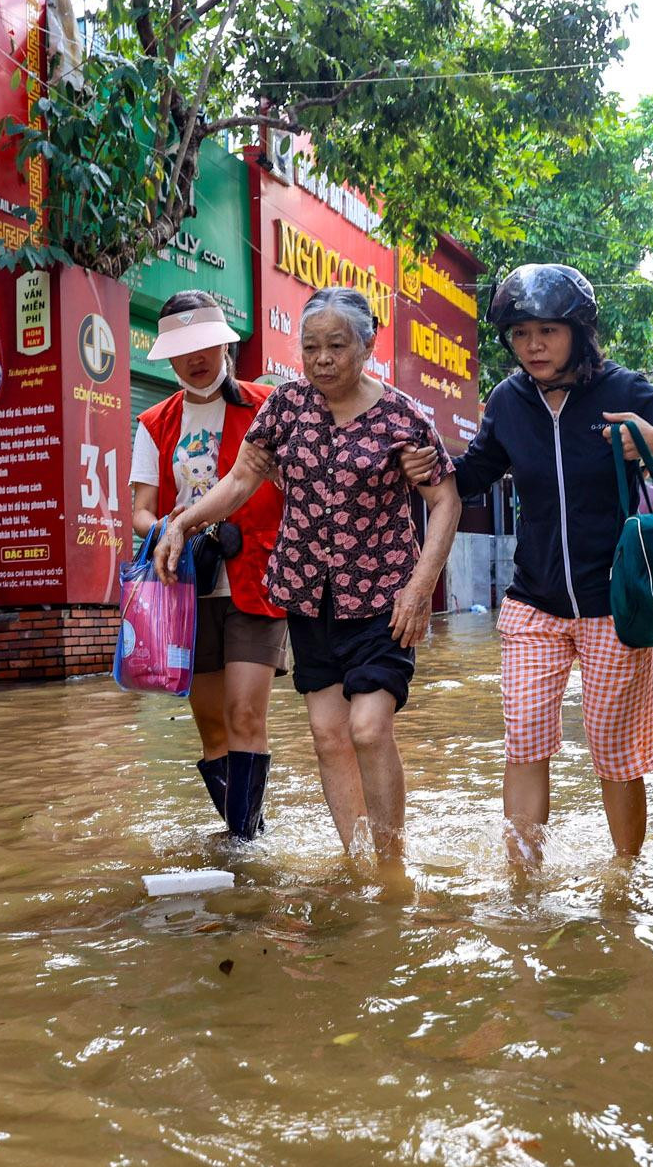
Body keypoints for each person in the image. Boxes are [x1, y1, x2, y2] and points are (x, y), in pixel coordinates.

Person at [401, 263, 653, 860]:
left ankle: (625, 882)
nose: (532, 346)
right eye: (519, 333)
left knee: (616, 753)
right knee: (526, 741)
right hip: (532, 604)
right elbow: (471, 476)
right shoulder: (508, 402)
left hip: (615, 608)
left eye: (546, 331)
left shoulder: (624, 390)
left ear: (578, 332)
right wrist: (428, 472)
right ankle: (522, 882)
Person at [155, 287, 461, 862]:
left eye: (337, 345)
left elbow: (446, 500)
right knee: (327, 736)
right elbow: (242, 479)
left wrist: (421, 588)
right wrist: (184, 525)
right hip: (307, 596)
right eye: (312, 346)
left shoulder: (402, 417)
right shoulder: (286, 407)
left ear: (367, 344)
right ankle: (356, 862)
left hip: (382, 598)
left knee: (367, 727)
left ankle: (392, 864)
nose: (322, 359)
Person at [129, 291, 287, 839]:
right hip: (187, 591)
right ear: (169, 359)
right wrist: (174, 530)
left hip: (256, 580)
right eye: (183, 349)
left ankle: (243, 844)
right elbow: (140, 514)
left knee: (246, 716)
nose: (196, 358)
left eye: (205, 345)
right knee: (213, 728)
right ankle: (250, 833)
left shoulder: (268, 406)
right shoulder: (153, 422)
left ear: (225, 344)